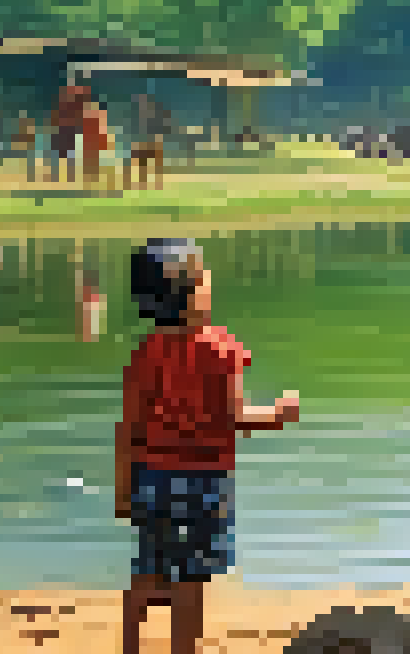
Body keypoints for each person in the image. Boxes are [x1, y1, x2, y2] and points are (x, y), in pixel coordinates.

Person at [116, 237, 303, 654]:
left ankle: (130, 643)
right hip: (203, 481)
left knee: (149, 566)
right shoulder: (221, 351)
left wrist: (122, 489)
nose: (210, 282)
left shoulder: (144, 354)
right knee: (190, 577)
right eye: (204, 277)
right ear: (193, 295)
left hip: (150, 477)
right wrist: (278, 413)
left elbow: (127, 428)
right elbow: (234, 417)